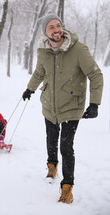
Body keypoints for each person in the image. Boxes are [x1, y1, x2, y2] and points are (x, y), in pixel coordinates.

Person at [22, 14, 103, 204]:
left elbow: (95, 75)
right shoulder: (43, 50)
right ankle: (52, 166)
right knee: (51, 140)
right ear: (45, 32)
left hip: (71, 106)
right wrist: (30, 88)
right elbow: (39, 72)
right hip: (49, 104)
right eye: (51, 27)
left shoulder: (78, 50)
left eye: (58, 25)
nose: (56, 29)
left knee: (66, 146)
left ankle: (67, 187)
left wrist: (94, 103)